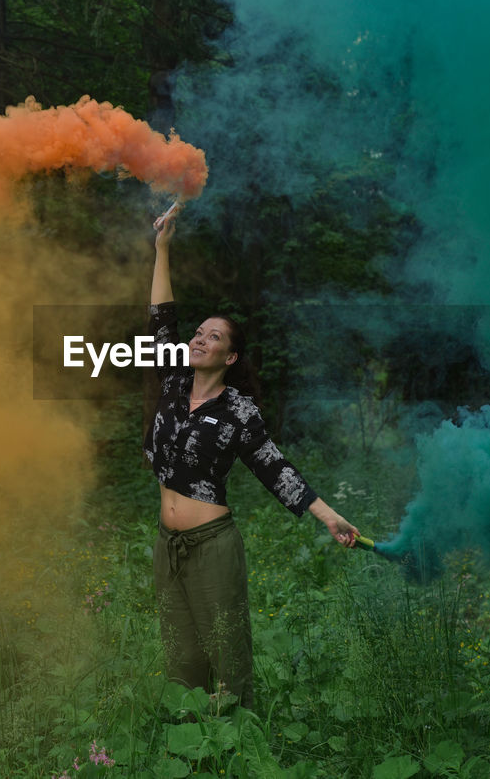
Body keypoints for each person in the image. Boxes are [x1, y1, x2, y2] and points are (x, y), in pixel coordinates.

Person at [145, 202, 359, 709]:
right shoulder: (173, 380)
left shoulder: (239, 410)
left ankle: (238, 745)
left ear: (230, 356)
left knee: (227, 656)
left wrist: (327, 515)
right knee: (181, 656)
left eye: (212, 336)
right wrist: (161, 247)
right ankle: (190, 748)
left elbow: (273, 466)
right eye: (197, 333)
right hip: (166, 545)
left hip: (212, 544)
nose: (198, 338)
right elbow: (160, 319)